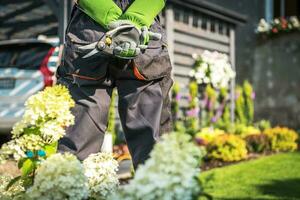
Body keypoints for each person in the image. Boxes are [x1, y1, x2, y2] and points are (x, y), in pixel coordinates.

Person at [56, 0, 173, 169]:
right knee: (154, 152)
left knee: (77, 148)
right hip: (143, 34)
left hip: (90, 32)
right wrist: (133, 23)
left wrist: (114, 20)